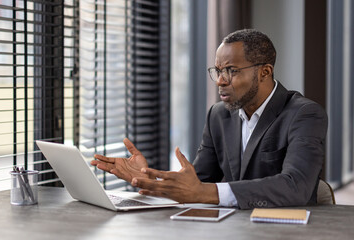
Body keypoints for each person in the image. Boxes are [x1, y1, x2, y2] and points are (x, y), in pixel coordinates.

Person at [91, 29, 328, 210]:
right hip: (235, 228)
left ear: (264, 72)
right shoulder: (219, 115)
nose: (220, 81)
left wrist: (205, 193)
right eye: (217, 71)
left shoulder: (304, 114)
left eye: (231, 71)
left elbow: (296, 186)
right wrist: (147, 178)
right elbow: (197, 182)